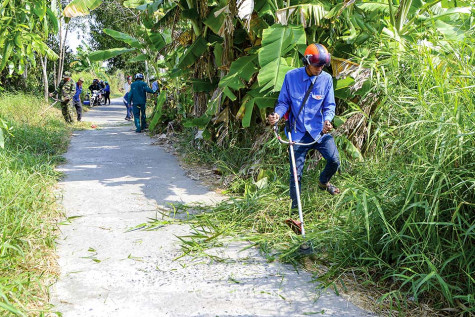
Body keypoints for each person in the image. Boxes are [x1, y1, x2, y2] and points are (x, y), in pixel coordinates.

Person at [267, 43, 340, 209]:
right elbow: (283, 102)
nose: (319, 68)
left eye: (322, 65)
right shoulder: (291, 77)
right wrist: (277, 115)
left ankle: (323, 182)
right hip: (297, 132)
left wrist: (327, 120)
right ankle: (295, 211)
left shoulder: (326, 79)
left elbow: (329, 106)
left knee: (334, 160)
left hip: (318, 131)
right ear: (307, 62)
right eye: (316, 65)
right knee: (295, 174)